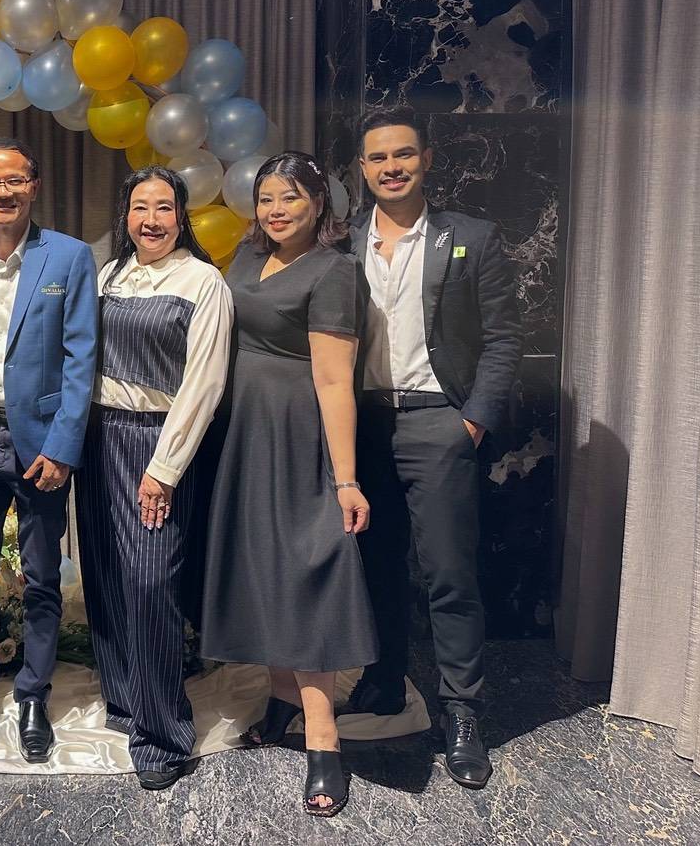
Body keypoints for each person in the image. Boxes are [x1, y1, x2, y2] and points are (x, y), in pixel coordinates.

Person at [343, 107, 521, 790]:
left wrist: (471, 422)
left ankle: (462, 710)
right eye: (378, 158)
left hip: (437, 422)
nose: (391, 167)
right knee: (374, 565)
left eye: (403, 155)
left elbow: (503, 338)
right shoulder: (341, 242)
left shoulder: (470, 237)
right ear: (361, 169)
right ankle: (384, 680)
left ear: (426, 160)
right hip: (363, 425)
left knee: (448, 573)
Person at [200, 152, 376, 818]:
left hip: (295, 433)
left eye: (291, 198)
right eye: (266, 198)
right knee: (260, 567)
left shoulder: (333, 270)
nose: (275, 210)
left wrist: (345, 478)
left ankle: (323, 739)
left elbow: (333, 379)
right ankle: (278, 701)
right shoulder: (248, 257)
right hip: (240, 430)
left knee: (305, 575)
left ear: (318, 203)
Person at [0, 138, 98, 763]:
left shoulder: (69, 257)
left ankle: (33, 694)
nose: (2, 191)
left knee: (41, 577)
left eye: (14, 180)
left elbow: (81, 358)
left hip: (41, 444)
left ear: (34, 184)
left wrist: (64, 445)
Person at [76, 165, 232, 791]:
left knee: (150, 582)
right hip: (98, 437)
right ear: (126, 215)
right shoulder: (110, 275)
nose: (151, 219)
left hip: (157, 443)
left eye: (163, 207)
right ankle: (125, 699)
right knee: (106, 573)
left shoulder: (203, 282)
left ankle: (164, 734)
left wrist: (163, 471)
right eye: (140, 207)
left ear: (181, 215)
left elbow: (205, 384)